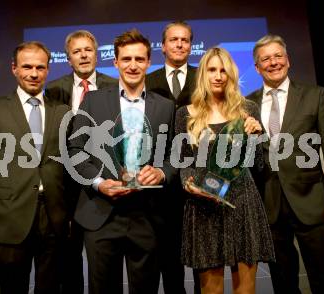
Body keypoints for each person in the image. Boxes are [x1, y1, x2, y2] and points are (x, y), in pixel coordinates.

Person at [67, 29, 176, 294]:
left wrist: (162, 173)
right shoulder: (92, 101)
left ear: (149, 63)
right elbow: (75, 149)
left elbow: (176, 155)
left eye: (140, 59)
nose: (133, 65)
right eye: (126, 59)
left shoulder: (165, 106)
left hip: (147, 216)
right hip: (101, 214)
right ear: (115, 62)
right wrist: (98, 183)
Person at [246, 34, 324, 294]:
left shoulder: (315, 96)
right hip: (270, 209)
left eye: (278, 56)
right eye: (265, 59)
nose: (273, 63)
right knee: (283, 284)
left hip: (312, 206)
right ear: (257, 67)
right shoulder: (246, 104)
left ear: (288, 60)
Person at [175, 47, 275, 294]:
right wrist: (188, 183)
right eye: (212, 70)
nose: (218, 76)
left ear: (230, 75)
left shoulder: (247, 109)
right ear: (202, 75)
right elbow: (182, 162)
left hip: (242, 203)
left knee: (245, 288)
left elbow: (258, 165)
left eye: (223, 70)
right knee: (211, 289)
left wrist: (256, 136)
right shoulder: (185, 115)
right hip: (204, 206)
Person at [0, 41, 70, 294]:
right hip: (9, 216)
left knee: (49, 288)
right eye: (27, 66)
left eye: (40, 67)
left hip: (53, 216)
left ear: (48, 70)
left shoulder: (62, 111)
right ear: (14, 68)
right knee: (12, 287)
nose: (34, 73)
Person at [45, 29, 116, 294]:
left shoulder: (114, 85)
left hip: (104, 179)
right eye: (77, 51)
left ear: (97, 54)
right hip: (65, 183)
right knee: (68, 255)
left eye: (88, 50)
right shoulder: (54, 90)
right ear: (68, 58)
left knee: (104, 257)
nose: (83, 55)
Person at [145, 20, 196, 294]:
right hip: (162, 180)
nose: (179, 44)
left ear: (191, 45)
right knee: (167, 256)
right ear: (163, 46)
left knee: (203, 257)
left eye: (185, 40)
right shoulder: (147, 81)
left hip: (199, 177)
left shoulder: (205, 77)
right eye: (174, 40)